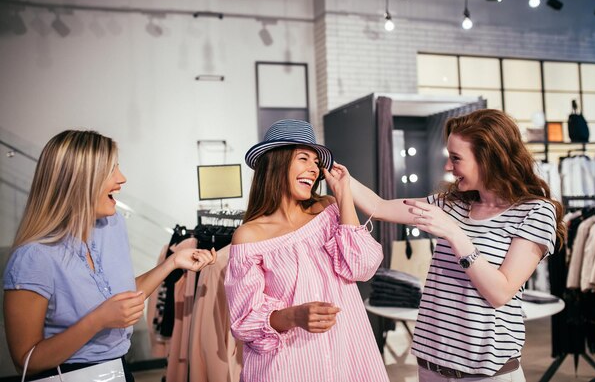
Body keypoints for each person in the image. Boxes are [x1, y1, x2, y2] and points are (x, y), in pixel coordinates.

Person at [344, 108, 565, 381]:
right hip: (431, 367)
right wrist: (340, 176)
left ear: (489, 159)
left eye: (456, 158)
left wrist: (455, 233)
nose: (448, 167)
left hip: (487, 374)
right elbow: (378, 206)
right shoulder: (451, 204)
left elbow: (500, 292)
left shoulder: (535, 212)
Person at [3, 130, 217, 381]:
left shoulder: (112, 226)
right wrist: (98, 320)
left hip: (119, 370)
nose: (122, 178)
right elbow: (26, 362)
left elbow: (120, 298)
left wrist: (173, 262)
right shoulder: (33, 257)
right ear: (78, 181)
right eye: (110, 170)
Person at [224, 119, 389, 382]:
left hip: (346, 359)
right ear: (276, 163)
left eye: (316, 162)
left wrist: (344, 194)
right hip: (287, 368)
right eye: (304, 158)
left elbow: (363, 266)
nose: (314, 169)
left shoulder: (328, 210)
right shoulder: (249, 237)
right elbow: (244, 320)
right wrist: (294, 316)